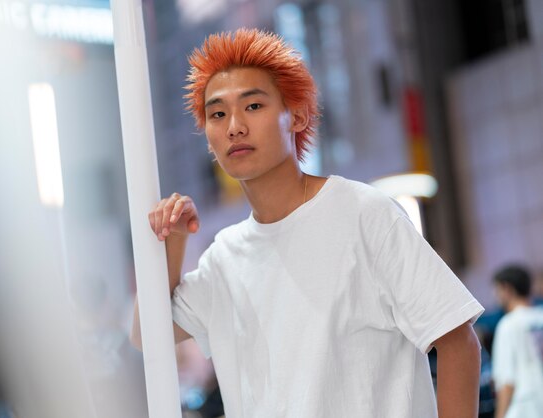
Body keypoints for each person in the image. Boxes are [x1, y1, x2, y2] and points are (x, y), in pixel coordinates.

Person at [131, 28, 484, 417]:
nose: (234, 126)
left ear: (296, 116)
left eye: (253, 106)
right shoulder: (224, 257)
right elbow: (146, 335)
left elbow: (457, 341)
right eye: (217, 114)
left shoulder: (363, 213)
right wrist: (173, 240)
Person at [491, 265, 543, 418]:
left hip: (524, 409)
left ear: (507, 289)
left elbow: (507, 381)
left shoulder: (508, 325)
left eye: (497, 289)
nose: (495, 295)